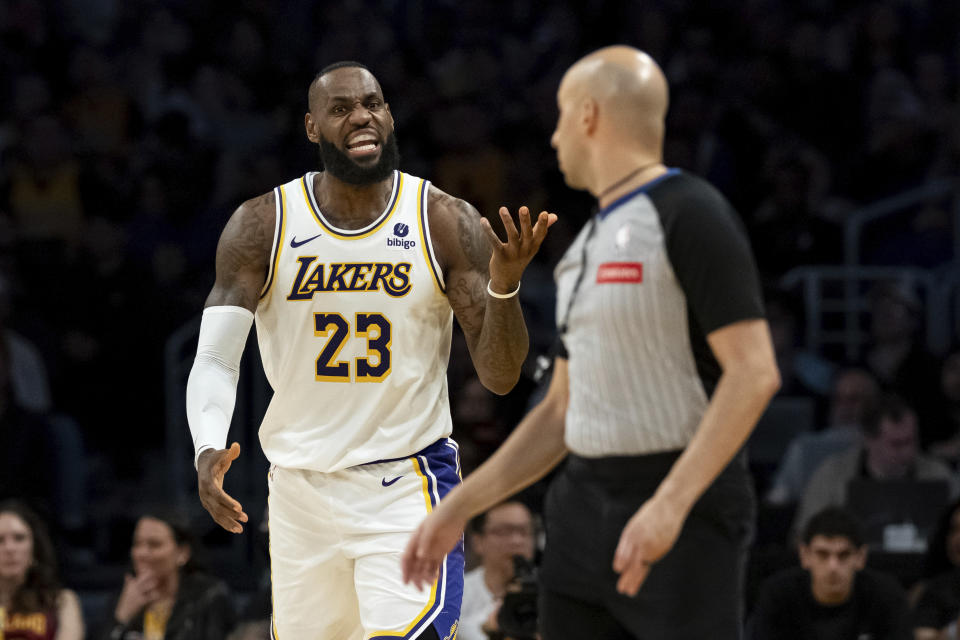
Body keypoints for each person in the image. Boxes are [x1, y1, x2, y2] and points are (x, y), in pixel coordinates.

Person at [403, 46, 780, 640]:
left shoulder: (692, 214)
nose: (553, 139)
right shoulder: (584, 246)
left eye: (559, 118)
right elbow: (558, 410)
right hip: (580, 507)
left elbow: (755, 374)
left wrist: (671, 503)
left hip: (678, 500)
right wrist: (459, 506)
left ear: (588, 116)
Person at [186, 60, 555, 639]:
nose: (362, 116)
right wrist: (207, 447)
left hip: (405, 484)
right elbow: (214, 359)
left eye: (373, 103)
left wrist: (504, 286)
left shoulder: (442, 220)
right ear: (311, 128)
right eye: (341, 108)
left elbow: (501, 376)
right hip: (299, 490)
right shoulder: (262, 225)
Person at [793, 394, 957, 537]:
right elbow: (803, 534)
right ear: (868, 440)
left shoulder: (938, 474)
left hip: (925, 569)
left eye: (912, 440)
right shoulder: (832, 475)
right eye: (897, 444)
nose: (908, 452)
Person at [749, 507, 911, 640]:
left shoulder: (886, 596)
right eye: (822, 554)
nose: (833, 566)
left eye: (844, 555)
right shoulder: (778, 595)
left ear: (860, 557)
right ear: (805, 555)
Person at [98, 511, 235, 640]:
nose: (141, 553)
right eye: (137, 544)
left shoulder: (209, 597)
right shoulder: (123, 599)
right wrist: (121, 618)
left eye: (154, 545)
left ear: (182, 553)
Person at [766, 367, 880, 506]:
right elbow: (778, 499)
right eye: (838, 399)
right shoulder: (805, 448)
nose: (844, 407)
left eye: (854, 399)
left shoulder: (885, 445)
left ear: (872, 403)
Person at [0, 500, 84, 640]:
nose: (10, 548)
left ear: (35, 549)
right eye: (0, 540)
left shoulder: (62, 601)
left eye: (19, 538)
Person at [460, 502, 536, 640]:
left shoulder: (549, 594)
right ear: (477, 541)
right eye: (505, 531)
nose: (517, 541)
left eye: (524, 531)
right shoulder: (459, 594)